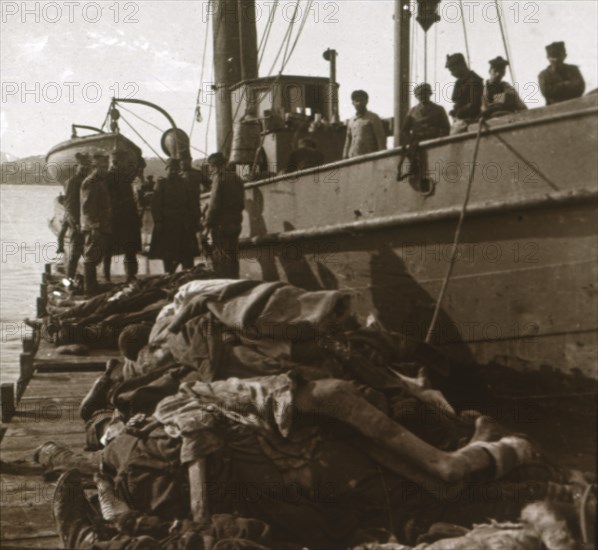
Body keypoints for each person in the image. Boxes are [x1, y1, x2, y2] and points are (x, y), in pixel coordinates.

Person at [149, 158, 199, 274]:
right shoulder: (161, 183)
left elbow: (192, 203)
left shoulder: (184, 183)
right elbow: (155, 205)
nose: (173, 172)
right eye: (171, 169)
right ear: (166, 170)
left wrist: (195, 220)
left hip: (184, 224)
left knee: (187, 254)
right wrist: (158, 221)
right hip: (167, 224)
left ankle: (186, 275)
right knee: (168, 254)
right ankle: (169, 275)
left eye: (176, 169)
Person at [103, 150, 142, 283]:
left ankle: (131, 275)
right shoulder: (108, 177)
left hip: (128, 216)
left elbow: (133, 197)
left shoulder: (126, 177)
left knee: (130, 247)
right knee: (108, 248)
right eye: (116, 162)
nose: (119, 164)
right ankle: (106, 276)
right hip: (113, 216)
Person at [205, 152, 245, 278]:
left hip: (221, 225)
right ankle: (234, 282)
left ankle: (224, 284)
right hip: (236, 222)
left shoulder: (219, 178)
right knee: (233, 257)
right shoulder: (237, 178)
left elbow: (214, 205)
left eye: (211, 167)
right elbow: (241, 204)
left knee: (221, 258)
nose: (210, 170)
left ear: (215, 166)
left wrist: (207, 224)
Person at [80, 152, 112, 295]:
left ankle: (92, 285)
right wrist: (95, 226)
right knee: (91, 256)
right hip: (94, 226)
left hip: (102, 225)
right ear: (95, 166)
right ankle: (90, 289)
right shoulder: (90, 182)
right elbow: (87, 208)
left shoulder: (100, 181)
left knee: (96, 255)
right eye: (103, 166)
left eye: (107, 166)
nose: (106, 169)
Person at [60, 153, 91, 281]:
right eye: (82, 167)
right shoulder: (73, 182)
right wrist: (75, 222)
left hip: (87, 221)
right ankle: (69, 279)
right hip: (78, 222)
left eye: (86, 167)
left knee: (88, 252)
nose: (84, 169)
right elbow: (69, 204)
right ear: (77, 167)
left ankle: (87, 280)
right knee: (75, 253)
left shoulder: (87, 181)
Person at [445, 53, 484, 134]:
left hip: (472, 120)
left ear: (461, 65)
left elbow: (475, 104)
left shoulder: (474, 81)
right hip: (461, 120)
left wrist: (459, 112)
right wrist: (454, 111)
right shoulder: (459, 82)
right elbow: (457, 101)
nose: (452, 74)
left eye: (453, 70)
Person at [342, 90, 387, 158]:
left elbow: (380, 139)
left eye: (361, 100)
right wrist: (345, 155)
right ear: (353, 103)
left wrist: (382, 157)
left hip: (368, 158)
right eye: (356, 100)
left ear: (366, 101)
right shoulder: (351, 121)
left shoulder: (373, 117)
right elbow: (348, 140)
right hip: (352, 158)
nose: (359, 103)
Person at [538, 41, 585, 106]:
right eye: (552, 56)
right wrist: (567, 84)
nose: (556, 59)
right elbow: (547, 92)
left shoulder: (573, 70)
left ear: (564, 56)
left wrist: (557, 87)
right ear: (548, 58)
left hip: (576, 105)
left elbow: (580, 87)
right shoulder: (544, 75)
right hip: (554, 108)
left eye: (558, 56)